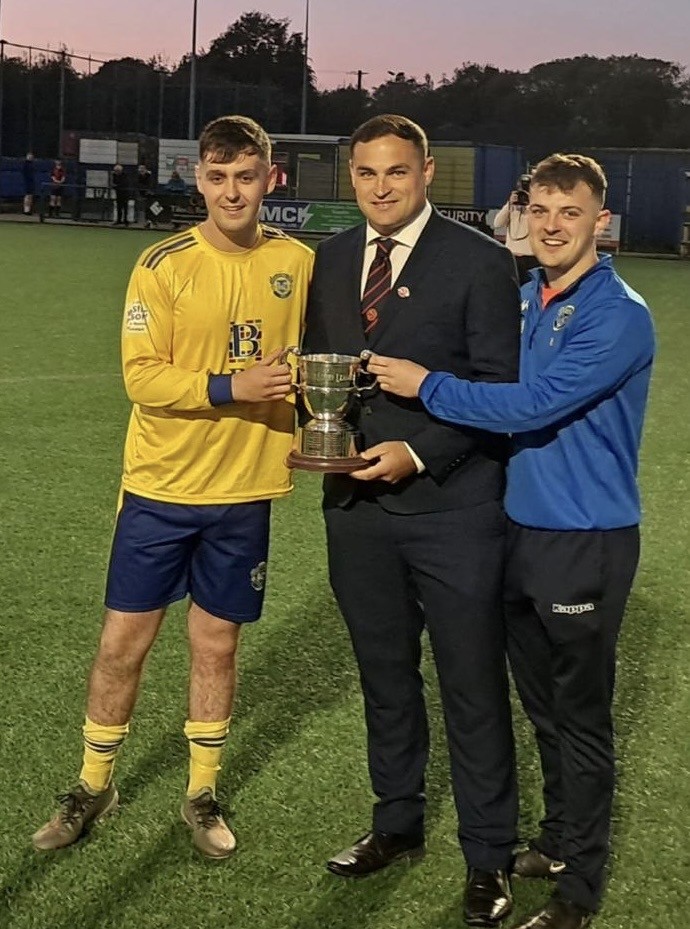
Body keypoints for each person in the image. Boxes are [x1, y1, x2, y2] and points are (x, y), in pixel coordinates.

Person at [364, 153, 655, 929]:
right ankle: (556, 840)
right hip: (518, 532)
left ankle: (578, 889)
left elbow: (532, 403)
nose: (553, 226)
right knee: (543, 708)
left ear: (600, 221)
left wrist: (424, 383)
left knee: (581, 718)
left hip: (584, 539)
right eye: (541, 211)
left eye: (571, 212)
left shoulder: (618, 313)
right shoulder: (526, 297)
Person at [32, 115, 314, 859]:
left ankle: (201, 792)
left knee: (216, 645)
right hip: (160, 489)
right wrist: (231, 386)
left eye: (246, 177)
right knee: (123, 642)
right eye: (218, 177)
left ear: (271, 179)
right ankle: (94, 784)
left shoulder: (298, 262)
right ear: (199, 179)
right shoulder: (162, 264)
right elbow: (142, 377)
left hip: (244, 492)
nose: (233, 192)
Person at [302, 114, 521, 927]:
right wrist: (312, 427)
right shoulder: (331, 259)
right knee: (385, 676)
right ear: (351, 177)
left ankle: (489, 855)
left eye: (397, 171)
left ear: (427, 172)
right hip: (356, 510)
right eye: (366, 173)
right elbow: (321, 373)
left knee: (471, 683)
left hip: (454, 509)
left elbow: (499, 391)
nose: (381, 187)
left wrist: (420, 454)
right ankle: (396, 820)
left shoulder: (481, 260)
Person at [493, 174, 539, 285]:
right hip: (512, 256)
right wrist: (509, 205)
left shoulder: (537, 207)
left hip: (531, 257)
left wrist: (531, 206)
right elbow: (497, 224)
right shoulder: (511, 206)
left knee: (530, 288)